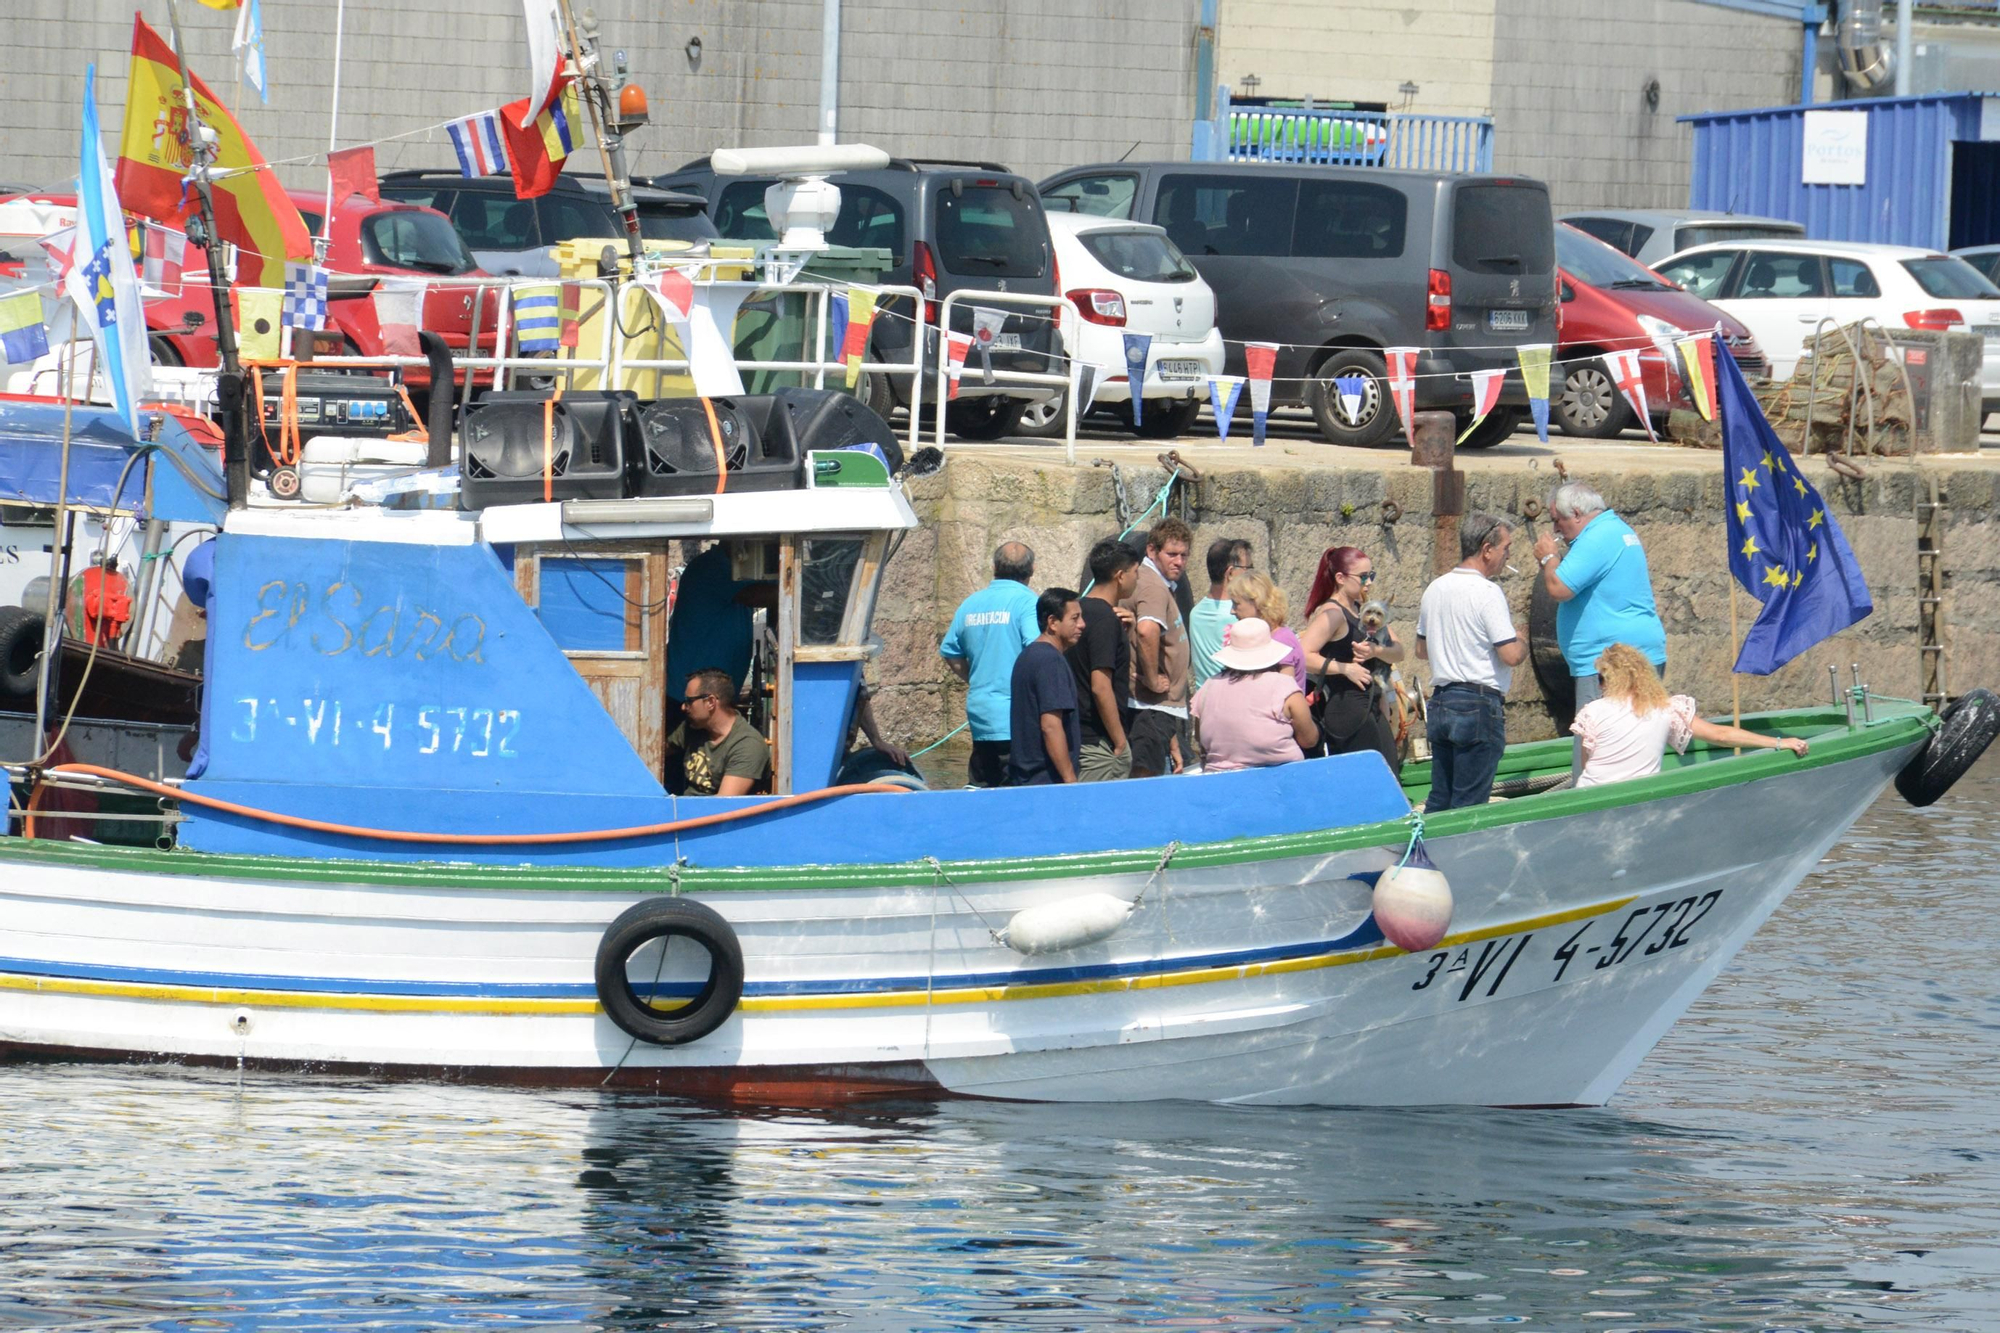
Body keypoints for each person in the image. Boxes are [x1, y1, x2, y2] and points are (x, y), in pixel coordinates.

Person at [1574, 644, 1808, 787]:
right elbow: (1721, 735)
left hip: (1591, 796)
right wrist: (1779, 742)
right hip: (1638, 799)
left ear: (1609, 681)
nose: (1600, 685)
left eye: (1601, 679)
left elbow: (1587, 766)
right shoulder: (1667, 708)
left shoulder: (1592, 712)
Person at [1415, 513, 1527, 811]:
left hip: (1440, 702)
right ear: (1487, 549)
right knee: (1470, 804)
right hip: (1477, 705)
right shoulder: (1488, 593)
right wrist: (1523, 638)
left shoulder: (1434, 588)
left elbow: (1421, 650)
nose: (1508, 556)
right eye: (1506, 548)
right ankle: (1461, 858)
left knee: (1440, 797)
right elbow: (1511, 655)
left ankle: (1429, 853)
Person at [1531, 482, 1667, 709]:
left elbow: (1558, 588)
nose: (1555, 529)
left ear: (1575, 514)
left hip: (1610, 663)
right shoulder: (1616, 529)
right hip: (1631, 655)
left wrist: (1548, 558)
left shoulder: (1596, 539)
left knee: (1597, 739)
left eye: (1557, 520)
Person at [939, 541, 1039, 786]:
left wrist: (976, 677)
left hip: (980, 711)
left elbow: (950, 651)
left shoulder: (970, 603)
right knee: (1015, 791)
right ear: (1032, 570)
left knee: (981, 784)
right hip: (1015, 714)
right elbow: (1037, 650)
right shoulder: (1028, 603)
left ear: (994, 567)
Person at [1299, 547, 1405, 767]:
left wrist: (1376, 651)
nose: (1369, 583)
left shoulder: (1363, 609)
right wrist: (1345, 668)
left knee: (1388, 777)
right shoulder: (1333, 612)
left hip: (1371, 706)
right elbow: (1303, 655)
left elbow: (1399, 651)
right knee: (1371, 782)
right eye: (1363, 577)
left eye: (1371, 575)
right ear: (1340, 578)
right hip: (1347, 707)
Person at [1189, 618, 1319, 771]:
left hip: (1220, 780)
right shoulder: (1284, 686)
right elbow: (1309, 740)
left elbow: (1200, 738)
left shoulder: (1208, 687)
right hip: (1281, 780)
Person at [1120, 517, 1193, 777]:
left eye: (1184, 555)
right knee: (1143, 779)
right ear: (1152, 550)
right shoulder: (1153, 586)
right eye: (1171, 554)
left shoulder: (1156, 583)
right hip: (1146, 705)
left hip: (1155, 708)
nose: (1179, 561)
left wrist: (1171, 735)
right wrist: (1151, 681)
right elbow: (1147, 630)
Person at [1067, 538, 1138, 782]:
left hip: (1075, 735)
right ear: (1120, 576)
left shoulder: (1078, 611)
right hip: (1098, 742)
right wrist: (1119, 741)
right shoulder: (1105, 619)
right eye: (1135, 572)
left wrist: (1123, 637)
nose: (1137, 579)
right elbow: (1100, 685)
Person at [1008, 588, 1085, 785]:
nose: (1082, 625)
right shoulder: (1051, 661)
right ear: (1052, 622)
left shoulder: (1027, 656)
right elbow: (1050, 725)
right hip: (1047, 780)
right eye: (1075, 618)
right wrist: (1069, 779)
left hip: (1025, 779)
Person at [666, 668, 770, 796]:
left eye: (689, 701)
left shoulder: (747, 745)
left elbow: (723, 804)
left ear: (710, 702)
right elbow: (654, 754)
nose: (683, 707)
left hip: (708, 814)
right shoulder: (692, 727)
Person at [1225, 569, 1306, 693]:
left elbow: (1285, 694)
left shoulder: (1282, 640)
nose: (1232, 611)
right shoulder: (1265, 636)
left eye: (1236, 604)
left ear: (1256, 602)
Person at [1188, 537, 1252, 693]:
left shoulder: (1195, 613)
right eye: (1247, 569)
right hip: (1235, 697)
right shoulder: (1240, 614)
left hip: (1204, 700)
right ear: (1230, 573)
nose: (1251, 576)